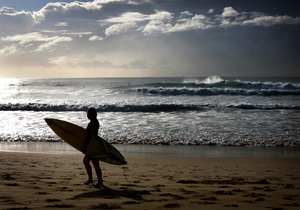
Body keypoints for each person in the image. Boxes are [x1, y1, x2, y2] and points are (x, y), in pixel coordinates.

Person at [82, 108, 103, 189]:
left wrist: (85, 146)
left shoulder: (92, 123)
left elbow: (89, 136)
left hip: (92, 146)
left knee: (89, 162)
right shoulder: (95, 122)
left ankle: (96, 180)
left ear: (91, 115)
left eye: (88, 114)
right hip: (94, 146)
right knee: (94, 163)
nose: (87, 115)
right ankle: (96, 180)